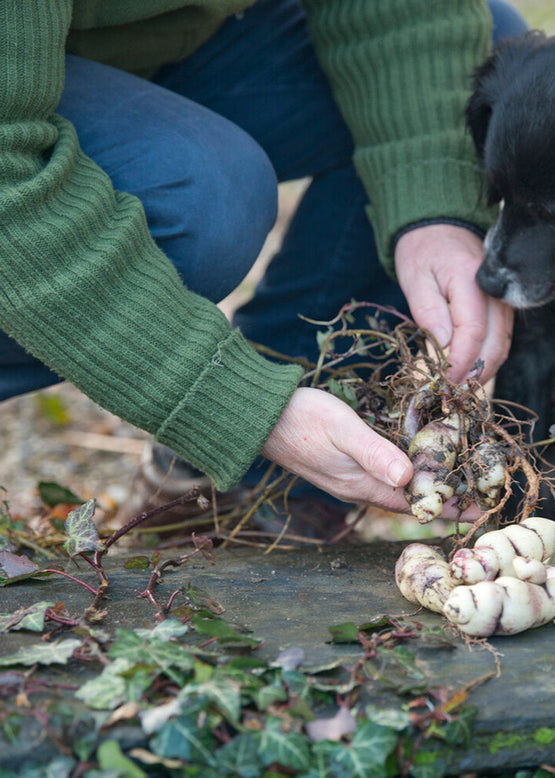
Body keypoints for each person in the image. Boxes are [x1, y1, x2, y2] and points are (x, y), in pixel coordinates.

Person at [0, 1, 526, 524]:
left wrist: (435, 209)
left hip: (101, 51)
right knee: (200, 203)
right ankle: (251, 450)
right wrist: (233, 407)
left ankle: (249, 493)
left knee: (484, 65)